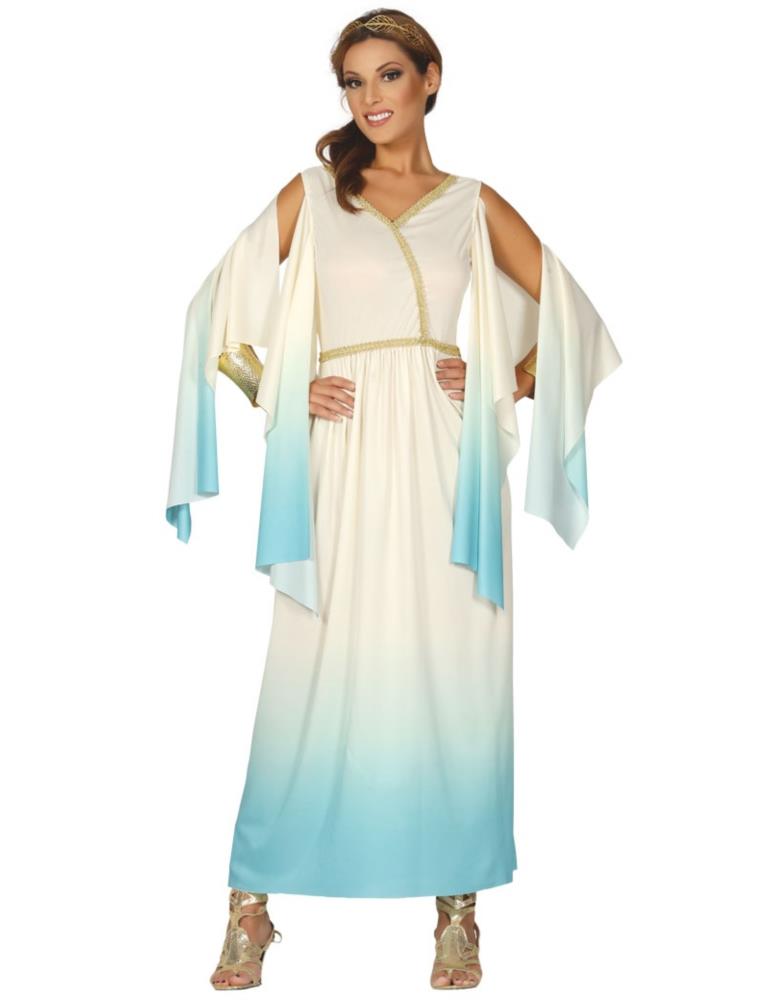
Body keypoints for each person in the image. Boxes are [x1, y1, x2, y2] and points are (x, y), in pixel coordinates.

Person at [165, 8, 622, 992]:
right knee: (310, 659)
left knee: (455, 662)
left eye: (386, 76)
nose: (368, 98)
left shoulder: (471, 202)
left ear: (430, 78)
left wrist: (511, 377)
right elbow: (212, 314)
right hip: (339, 448)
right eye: (352, 81)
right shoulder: (314, 194)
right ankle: (251, 908)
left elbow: (573, 315)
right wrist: (278, 389)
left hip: (447, 455)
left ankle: (457, 911)